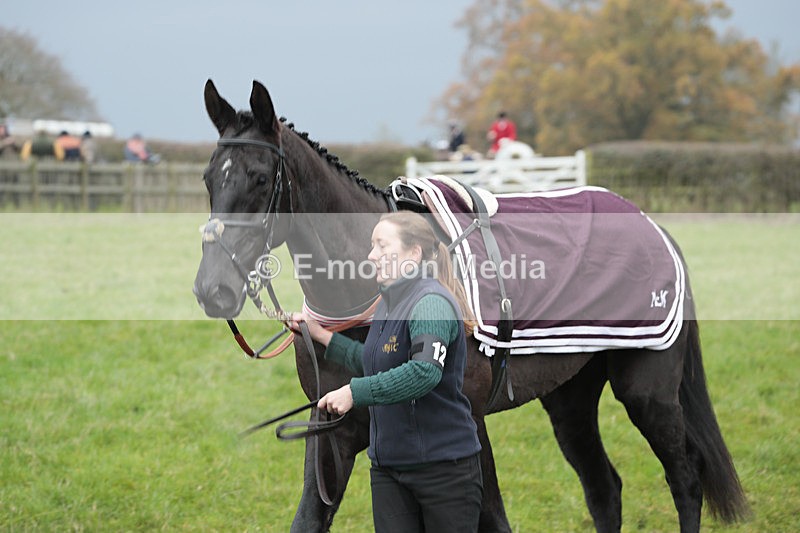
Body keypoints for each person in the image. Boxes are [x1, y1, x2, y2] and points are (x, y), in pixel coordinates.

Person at [289, 211, 483, 533]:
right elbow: (373, 359)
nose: (371, 255)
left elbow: (424, 372)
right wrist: (320, 335)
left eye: (381, 245)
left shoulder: (432, 303)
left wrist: (354, 392)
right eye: (372, 245)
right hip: (389, 471)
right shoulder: (387, 304)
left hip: (445, 472)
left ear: (413, 254)